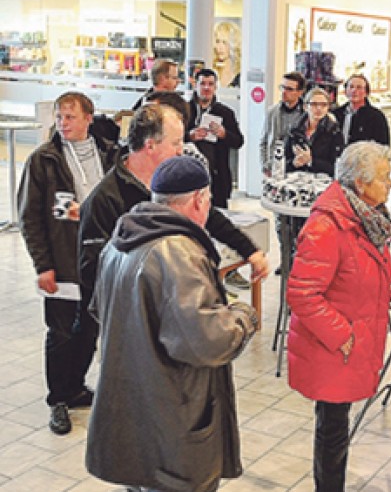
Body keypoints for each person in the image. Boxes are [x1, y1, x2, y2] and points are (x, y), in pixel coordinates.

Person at [85, 155, 259, 492]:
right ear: (199, 200)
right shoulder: (177, 252)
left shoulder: (121, 239)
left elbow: (99, 309)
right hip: (172, 408)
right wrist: (243, 316)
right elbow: (205, 341)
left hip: (132, 397)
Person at [286, 142, 391, 492]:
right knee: (332, 427)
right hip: (331, 347)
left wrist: (383, 288)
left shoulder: (363, 217)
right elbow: (302, 292)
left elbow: (349, 275)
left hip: (345, 344)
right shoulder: (328, 224)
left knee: (338, 427)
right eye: (385, 178)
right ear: (361, 183)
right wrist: (342, 335)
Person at [78, 104, 268, 355]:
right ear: (150, 145)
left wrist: (250, 251)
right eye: (176, 142)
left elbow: (210, 217)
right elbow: (92, 271)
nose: (182, 151)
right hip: (136, 324)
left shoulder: (170, 180)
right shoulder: (105, 199)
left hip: (176, 316)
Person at [17, 91, 117, 435]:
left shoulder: (109, 154)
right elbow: (29, 217)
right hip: (62, 259)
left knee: (89, 328)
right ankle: (57, 398)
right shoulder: (44, 159)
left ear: (89, 118)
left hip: (100, 258)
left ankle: (75, 387)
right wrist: (42, 265)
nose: (63, 124)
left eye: (71, 117)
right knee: (61, 332)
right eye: (59, 117)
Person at [187, 68, 244, 208]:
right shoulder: (185, 110)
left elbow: (239, 141)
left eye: (210, 84)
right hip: (189, 173)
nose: (206, 88)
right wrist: (189, 136)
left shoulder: (225, 113)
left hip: (217, 177)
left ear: (216, 87)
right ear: (195, 85)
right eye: (203, 83)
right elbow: (173, 139)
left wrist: (224, 134)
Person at [285, 87, 344, 176]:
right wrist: (293, 163)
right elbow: (284, 162)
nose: (319, 108)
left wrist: (311, 161)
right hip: (296, 182)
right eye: (314, 104)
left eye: (323, 105)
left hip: (322, 184)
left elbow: (337, 168)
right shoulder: (294, 130)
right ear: (305, 107)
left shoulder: (334, 132)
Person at [260, 71, 307, 178]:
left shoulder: (306, 114)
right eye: (282, 87)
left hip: (298, 168)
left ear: (300, 92)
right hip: (275, 165)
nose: (284, 92)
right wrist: (265, 165)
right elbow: (264, 141)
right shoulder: (272, 112)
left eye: (289, 89)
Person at [332, 74, 390, 149]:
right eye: (351, 87)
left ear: (366, 93)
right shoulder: (336, 114)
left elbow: (383, 147)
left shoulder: (376, 117)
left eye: (359, 87)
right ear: (345, 91)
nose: (354, 90)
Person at [213, 20, 241, 88]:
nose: (220, 47)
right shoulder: (211, 70)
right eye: (217, 41)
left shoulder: (240, 74)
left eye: (224, 42)